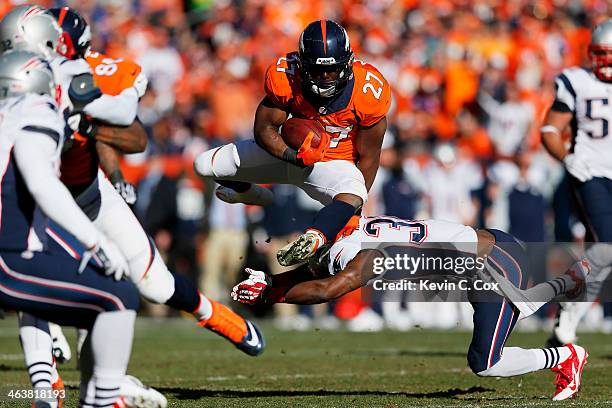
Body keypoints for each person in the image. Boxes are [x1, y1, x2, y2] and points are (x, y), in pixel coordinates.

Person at [233, 215, 593, 401]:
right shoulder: (356, 233)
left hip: (493, 262)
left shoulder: (362, 255)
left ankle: (566, 351)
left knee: (486, 362)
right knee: (508, 323)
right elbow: (317, 271)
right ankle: (567, 287)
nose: (314, 259)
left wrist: (270, 294)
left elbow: (327, 288)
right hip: (485, 253)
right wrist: (270, 282)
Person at [0, 49, 163, 408]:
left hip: (14, 248)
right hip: (9, 256)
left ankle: (45, 391)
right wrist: (95, 241)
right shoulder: (34, 113)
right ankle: (101, 398)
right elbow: (43, 187)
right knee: (118, 296)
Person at [194, 19, 391, 266]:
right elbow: (264, 128)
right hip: (287, 155)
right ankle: (251, 194)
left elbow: (370, 157)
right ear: (303, 64)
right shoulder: (285, 76)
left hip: (331, 166)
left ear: (348, 63)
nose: (326, 78)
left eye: (332, 70)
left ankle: (315, 238)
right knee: (204, 164)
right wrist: (292, 155)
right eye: (318, 71)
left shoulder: (367, 92)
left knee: (354, 191)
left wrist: (349, 211)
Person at [541, 19, 612, 345]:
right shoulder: (576, 81)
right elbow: (550, 130)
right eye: (602, 54)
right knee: (607, 246)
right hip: (590, 173)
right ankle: (569, 312)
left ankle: (571, 306)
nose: (607, 62)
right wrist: (567, 157)